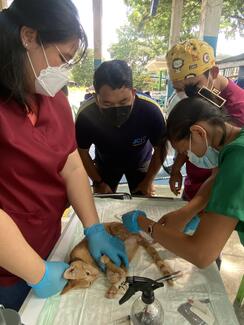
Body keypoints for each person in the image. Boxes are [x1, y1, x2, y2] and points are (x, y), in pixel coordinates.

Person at [0, 0, 128, 311]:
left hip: (49, 244)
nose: (63, 72)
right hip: (10, 266)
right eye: (62, 58)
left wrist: (93, 227)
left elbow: (71, 165)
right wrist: (36, 271)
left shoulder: (52, 99)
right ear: (29, 37)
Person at [122, 96, 244, 269]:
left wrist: (144, 223)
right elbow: (216, 179)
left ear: (199, 132)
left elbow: (201, 254)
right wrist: (186, 212)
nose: (188, 157)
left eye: (186, 150)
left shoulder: (238, 157)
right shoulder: (234, 144)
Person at [163, 39, 244, 231]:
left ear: (213, 73)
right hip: (196, 191)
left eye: (193, 86)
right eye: (178, 89)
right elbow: (184, 137)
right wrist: (176, 168)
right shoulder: (190, 97)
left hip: (222, 199)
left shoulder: (238, 111)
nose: (186, 96)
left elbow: (223, 175)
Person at [75, 60, 167, 196]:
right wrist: (98, 182)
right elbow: (82, 152)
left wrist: (148, 180)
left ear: (133, 93)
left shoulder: (150, 110)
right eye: (107, 104)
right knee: (103, 200)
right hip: (106, 163)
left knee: (143, 200)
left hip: (141, 161)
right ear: (96, 98)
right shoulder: (85, 115)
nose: (117, 109)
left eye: (124, 101)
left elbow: (161, 148)